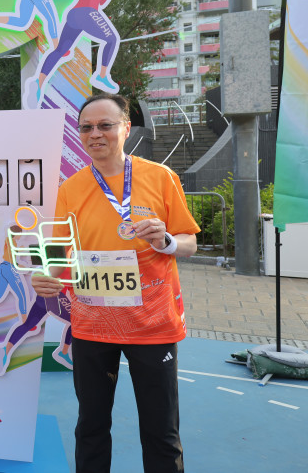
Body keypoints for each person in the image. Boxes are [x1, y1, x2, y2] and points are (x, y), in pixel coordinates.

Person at [31, 93, 199, 473]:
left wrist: (167, 241)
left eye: (105, 125)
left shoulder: (160, 177)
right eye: (87, 127)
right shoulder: (71, 188)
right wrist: (46, 277)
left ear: (125, 128)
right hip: (93, 324)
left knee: (160, 430)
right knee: (90, 426)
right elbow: (58, 250)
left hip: (152, 325)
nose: (95, 134)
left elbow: (188, 242)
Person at [26, 0, 120, 108]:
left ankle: (39, 82)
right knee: (112, 39)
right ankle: (102, 76)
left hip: (74, 16)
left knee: (60, 51)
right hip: (87, 14)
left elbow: (101, 2)